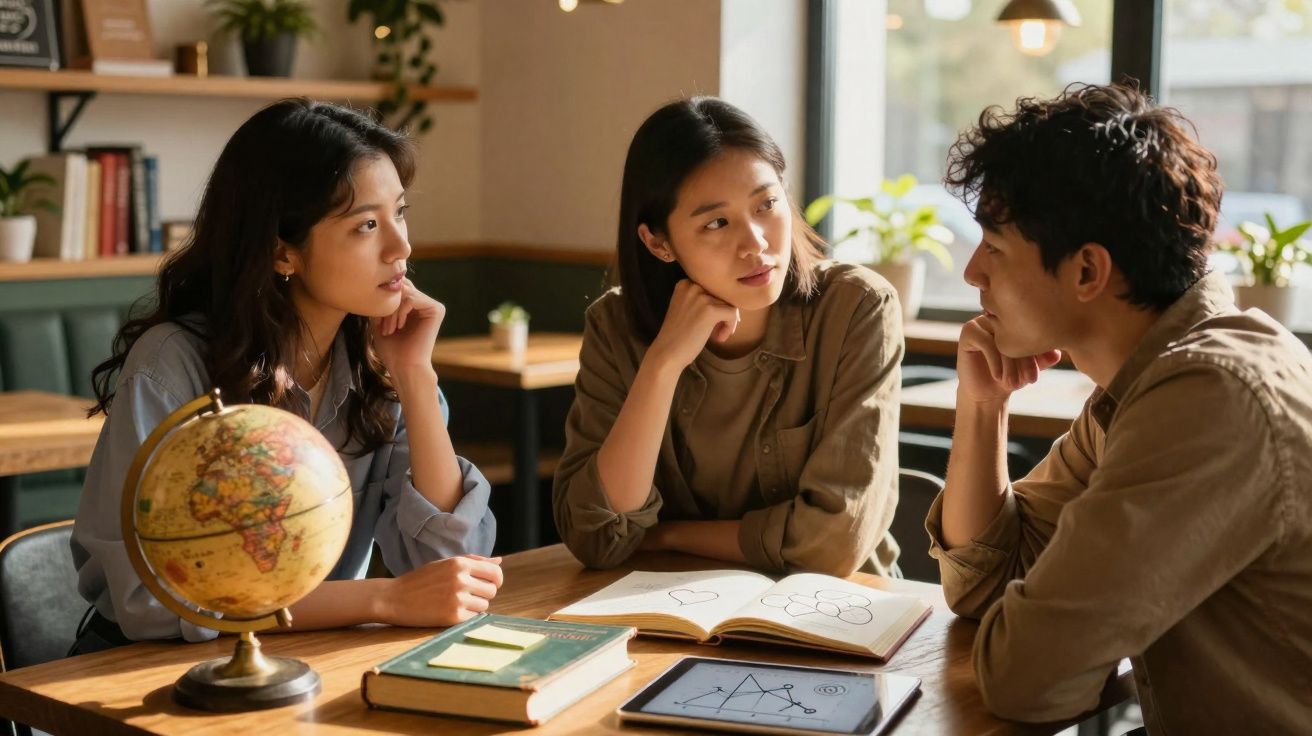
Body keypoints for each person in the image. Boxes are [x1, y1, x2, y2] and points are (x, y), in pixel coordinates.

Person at [928, 82, 1312, 733]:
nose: (972, 274)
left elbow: (1028, 678)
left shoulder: (1208, 397)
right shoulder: (1142, 385)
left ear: (1087, 272)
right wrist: (983, 406)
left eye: (993, 247)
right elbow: (984, 584)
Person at [71, 99, 502, 653]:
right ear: (282, 252)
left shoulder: (383, 363)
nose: (402, 246)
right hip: (144, 671)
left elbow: (451, 566)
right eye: (367, 225)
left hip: (302, 662)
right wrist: (380, 600)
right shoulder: (172, 365)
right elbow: (151, 598)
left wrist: (415, 374)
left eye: (400, 212)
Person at [553, 97, 903, 576]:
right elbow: (593, 534)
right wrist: (662, 364)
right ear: (658, 242)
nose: (756, 243)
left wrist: (668, 536)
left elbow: (834, 544)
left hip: (837, 609)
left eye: (767, 204)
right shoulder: (615, 326)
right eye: (717, 222)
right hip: (666, 605)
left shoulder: (856, 308)